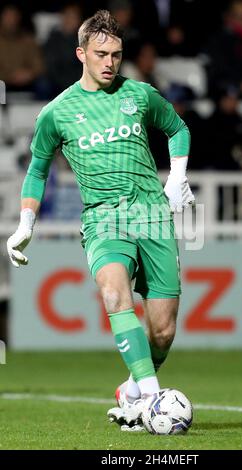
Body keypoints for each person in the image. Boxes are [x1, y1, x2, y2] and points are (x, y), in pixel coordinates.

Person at [6, 10, 194, 431]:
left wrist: (177, 178)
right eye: (101, 53)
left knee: (162, 332)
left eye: (117, 54)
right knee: (114, 292)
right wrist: (26, 225)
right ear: (81, 53)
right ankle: (150, 399)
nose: (110, 62)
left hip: (153, 216)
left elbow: (178, 129)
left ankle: (131, 388)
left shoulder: (140, 95)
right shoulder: (56, 113)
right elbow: (37, 171)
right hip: (103, 220)